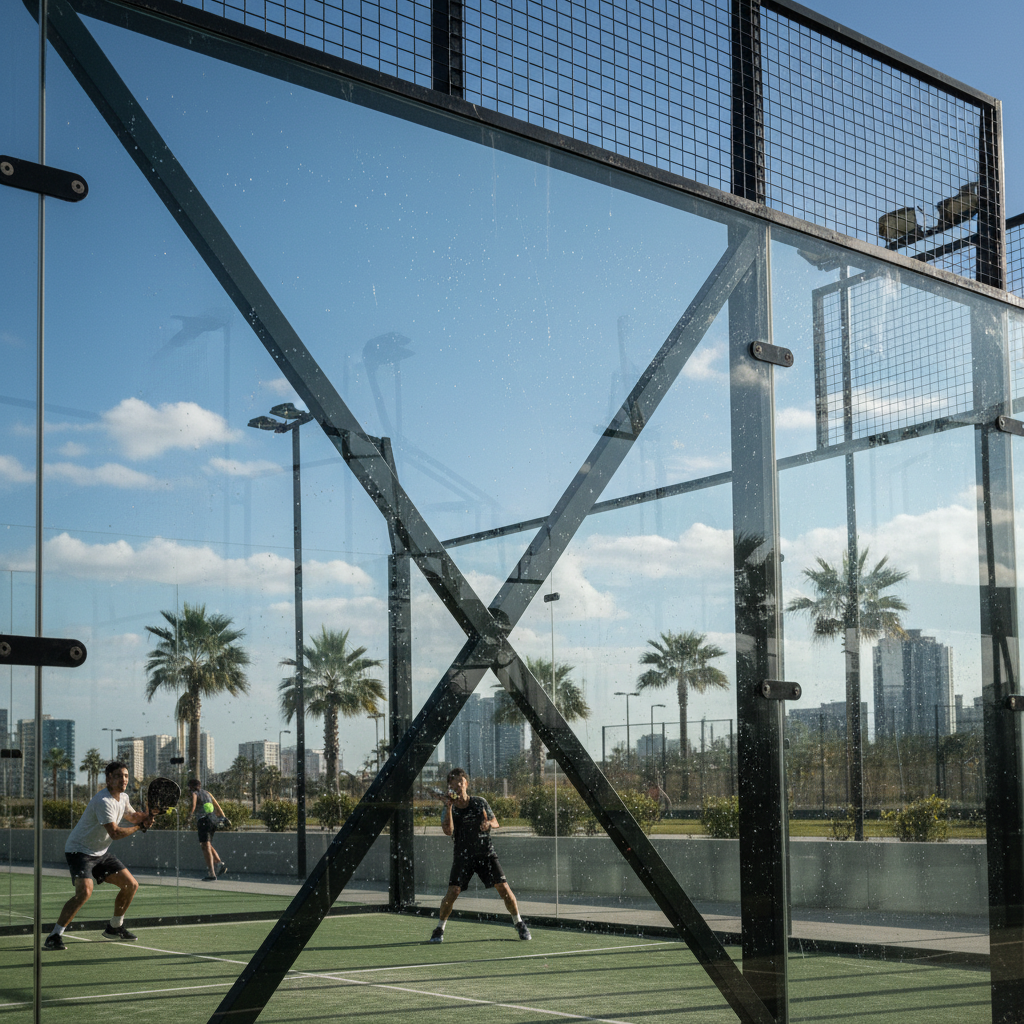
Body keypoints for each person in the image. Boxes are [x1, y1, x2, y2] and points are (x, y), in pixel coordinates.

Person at [43, 761, 154, 950]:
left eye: (126, 776)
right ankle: (54, 936)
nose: (124, 780)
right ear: (109, 779)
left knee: (131, 885)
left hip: (100, 853)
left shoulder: (123, 798)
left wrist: (148, 816)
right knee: (84, 892)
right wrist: (139, 827)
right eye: (119, 776)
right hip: (79, 851)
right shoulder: (103, 801)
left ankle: (114, 927)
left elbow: (133, 816)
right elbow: (116, 833)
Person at [428, 768, 530, 943]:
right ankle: (439, 928)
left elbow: (496, 822)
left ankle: (519, 923)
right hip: (463, 856)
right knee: (453, 892)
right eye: (454, 783)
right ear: (449, 787)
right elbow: (448, 831)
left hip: (486, 854)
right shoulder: (448, 808)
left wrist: (488, 824)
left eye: (461, 781)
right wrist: (449, 806)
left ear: (466, 783)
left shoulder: (480, 802)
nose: (458, 785)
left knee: (503, 888)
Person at [188, 778, 228, 880]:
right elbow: (217, 806)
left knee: (204, 846)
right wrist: (223, 817)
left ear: (191, 787)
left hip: (203, 821)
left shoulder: (194, 793)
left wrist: (189, 817)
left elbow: (193, 805)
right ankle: (219, 863)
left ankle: (211, 874)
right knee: (207, 844)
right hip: (213, 821)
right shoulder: (207, 793)